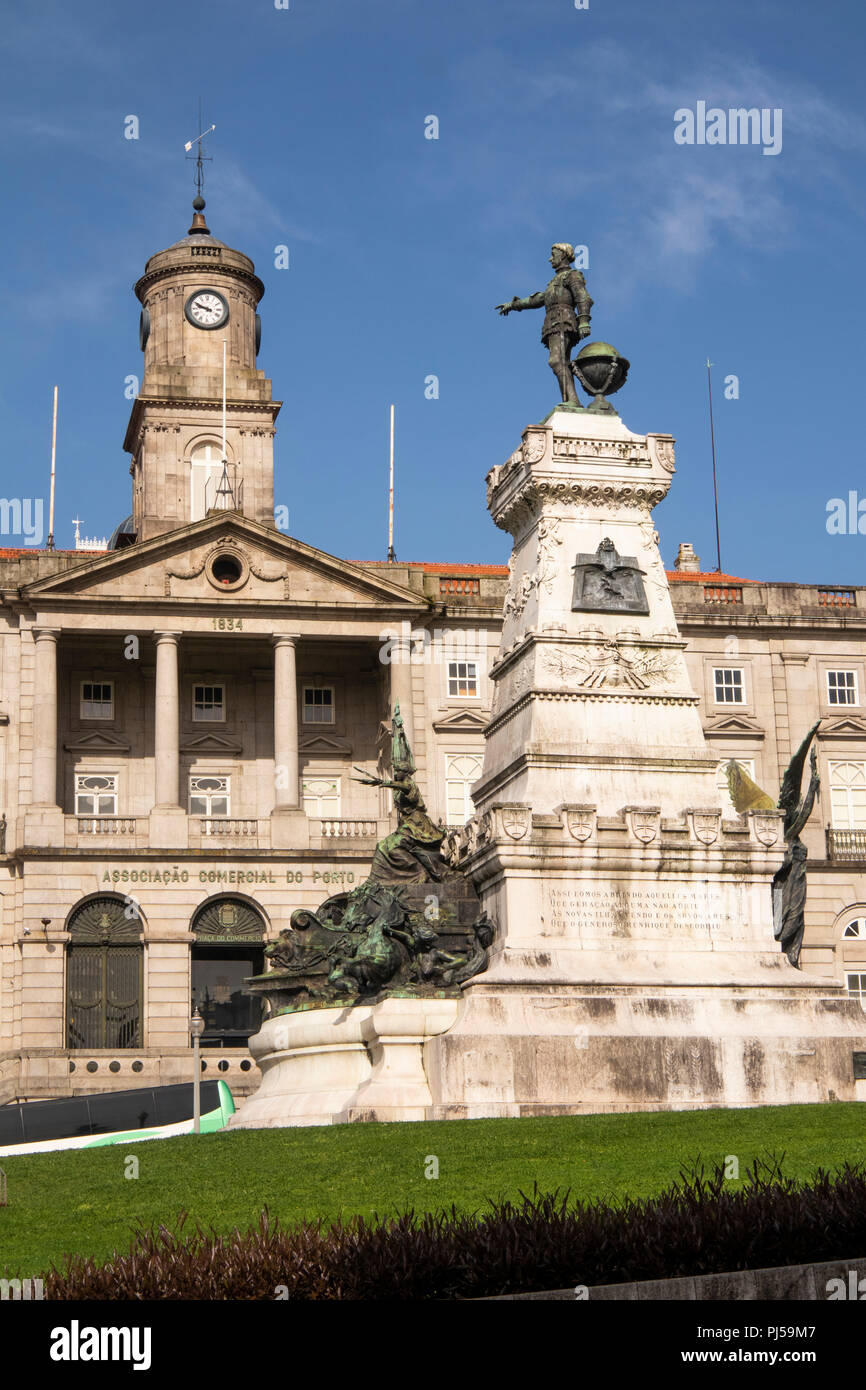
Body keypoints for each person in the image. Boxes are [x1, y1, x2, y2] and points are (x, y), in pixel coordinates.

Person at [496, 243, 593, 404]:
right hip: (554, 323)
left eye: (553, 255)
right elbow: (538, 299)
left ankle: (573, 400)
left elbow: (583, 297)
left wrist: (584, 321)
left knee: (556, 361)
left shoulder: (572, 275)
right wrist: (513, 305)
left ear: (563, 255)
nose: (550, 259)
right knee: (561, 362)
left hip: (564, 321)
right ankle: (571, 400)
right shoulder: (554, 282)